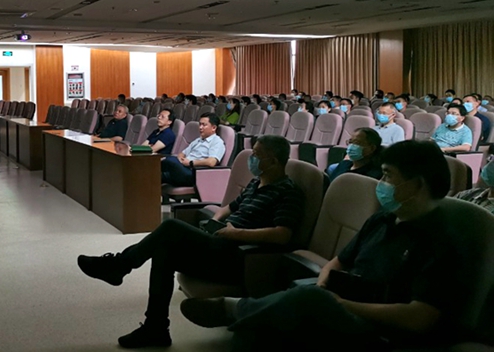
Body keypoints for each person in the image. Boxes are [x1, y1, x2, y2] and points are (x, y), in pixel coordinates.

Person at [180, 140, 464, 352]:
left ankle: (233, 308)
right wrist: (325, 283)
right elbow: (340, 260)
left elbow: (420, 318)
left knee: (300, 302)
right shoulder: (383, 219)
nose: (381, 183)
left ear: (417, 185)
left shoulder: (441, 241)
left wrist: (341, 304)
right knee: (257, 330)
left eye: (388, 176)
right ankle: (243, 313)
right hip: (348, 306)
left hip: (384, 331)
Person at [77, 135, 304, 349]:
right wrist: (215, 220)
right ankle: (155, 328)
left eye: (256, 155)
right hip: (221, 243)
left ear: (273, 161)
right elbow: (229, 207)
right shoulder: (256, 183)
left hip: (242, 257)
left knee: (170, 227)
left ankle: (119, 265)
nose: (251, 158)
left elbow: (282, 234)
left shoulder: (288, 191)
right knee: (164, 252)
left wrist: (237, 234)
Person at [159, 113, 225, 187]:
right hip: (183, 168)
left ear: (213, 128)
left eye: (204, 125)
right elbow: (182, 153)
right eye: (200, 124)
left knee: (169, 159)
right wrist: (180, 159)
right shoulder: (198, 140)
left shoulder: (217, 142)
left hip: (194, 173)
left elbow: (211, 162)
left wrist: (191, 163)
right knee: (156, 176)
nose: (200, 127)